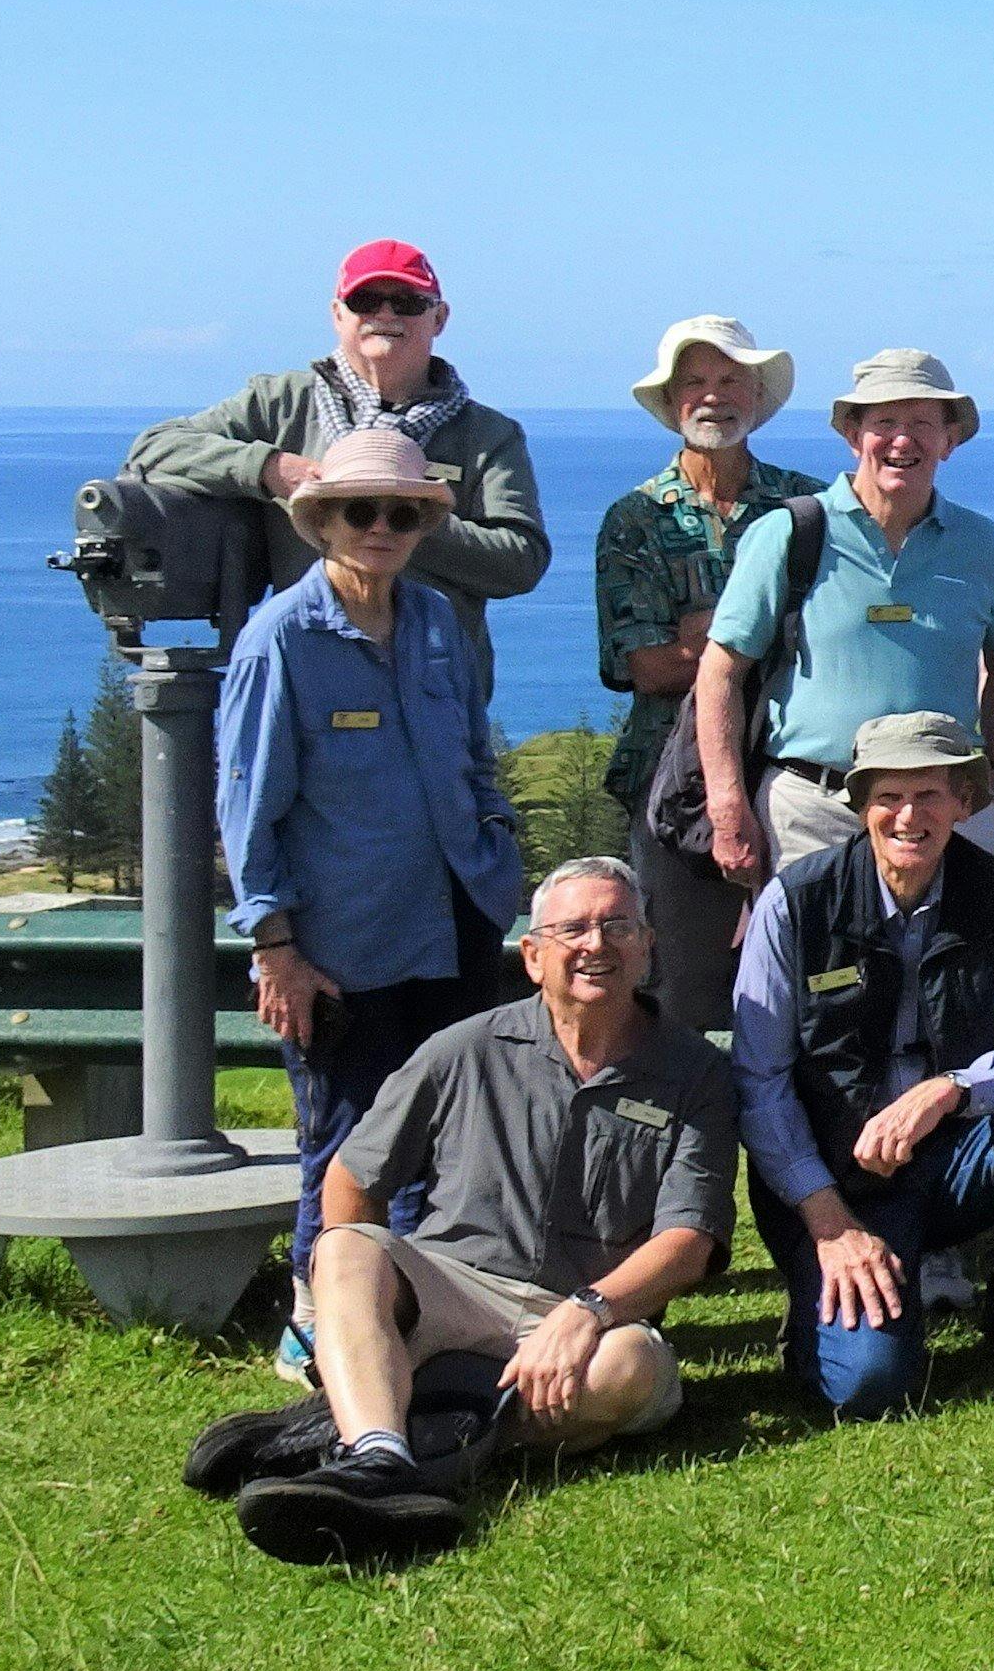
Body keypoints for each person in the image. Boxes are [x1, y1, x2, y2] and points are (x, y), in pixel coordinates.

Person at [206, 859, 734, 1568]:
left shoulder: (695, 1071)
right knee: (345, 1250)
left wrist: (585, 1313)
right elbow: (352, 1178)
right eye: (572, 928)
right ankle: (389, 1452)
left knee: (630, 1370)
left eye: (618, 925)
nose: (595, 944)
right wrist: (354, 1298)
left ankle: (379, 1431)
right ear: (533, 954)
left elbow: (689, 1240)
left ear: (647, 946)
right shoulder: (465, 1048)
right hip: (455, 1290)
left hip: (591, 1316)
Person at [217, 430, 528, 1343]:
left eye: (403, 512)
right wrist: (276, 948)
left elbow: (474, 751)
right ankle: (317, 1329)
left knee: (445, 1135)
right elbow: (247, 807)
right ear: (320, 522)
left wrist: (496, 848)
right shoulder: (280, 638)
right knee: (348, 1143)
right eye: (361, 510)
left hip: (456, 923)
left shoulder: (435, 621)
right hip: (343, 947)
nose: (382, 527)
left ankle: (414, 1321)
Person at [729, 712, 994, 1412]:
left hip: (951, 1159)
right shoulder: (794, 904)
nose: (908, 815)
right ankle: (820, 1310)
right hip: (835, 1184)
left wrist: (949, 1090)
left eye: (930, 795)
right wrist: (827, 1219)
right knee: (870, 1385)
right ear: (860, 803)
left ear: (963, 800)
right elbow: (759, 1080)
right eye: (889, 795)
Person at [130, 238, 550, 679]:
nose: (385, 315)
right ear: (338, 314)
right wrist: (270, 469)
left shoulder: (485, 435)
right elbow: (156, 448)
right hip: (308, 679)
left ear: (439, 318)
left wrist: (406, 516)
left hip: (433, 686)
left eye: (407, 302)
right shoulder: (283, 404)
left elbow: (519, 563)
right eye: (365, 300)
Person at [696, 350, 994, 880]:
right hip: (814, 812)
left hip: (945, 814)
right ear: (854, 435)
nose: (903, 439)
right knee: (823, 965)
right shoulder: (789, 533)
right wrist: (728, 804)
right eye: (885, 422)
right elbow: (720, 672)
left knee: (956, 961)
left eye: (922, 423)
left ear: (949, 439)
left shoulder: (981, 544)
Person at [592, 318, 825, 1043]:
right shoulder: (634, 518)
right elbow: (642, 665)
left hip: (794, 782)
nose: (713, 396)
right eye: (695, 381)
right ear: (671, 401)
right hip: (673, 788)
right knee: (682, 993)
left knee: (809, 989)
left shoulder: (808, 510)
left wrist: (706, 632)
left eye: (730, 381)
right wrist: (757, 639)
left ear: (757, 395)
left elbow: (827, 640)